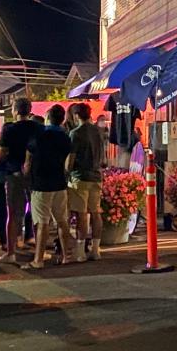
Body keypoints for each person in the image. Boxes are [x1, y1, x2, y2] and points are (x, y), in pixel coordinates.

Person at [22, 104, 74, 270]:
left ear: (48, 117)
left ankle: (38, 259)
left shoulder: (39, 135)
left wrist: (26, 173)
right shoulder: (65, 137)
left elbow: (28, 159)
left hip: (41, 183)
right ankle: (66, 255)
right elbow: (68, 161)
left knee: (42, 222)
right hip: (59, 183)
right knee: (62, 221)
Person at [0, 97, 44, 264]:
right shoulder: (39, 128)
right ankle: (40, 251)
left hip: (14, 174)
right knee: (38, 214)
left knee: (13, 214)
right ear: (30, 110)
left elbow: (1, 154)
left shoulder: (8, 129)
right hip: (35, 175)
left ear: (14, 110)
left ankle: (11, 252)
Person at [67, 102, 106, 262]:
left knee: (82, 214)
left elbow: (71, 158)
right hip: (96, 176)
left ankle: (80, 251)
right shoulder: (99, 131)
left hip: (80, 177)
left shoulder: (75, 133)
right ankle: (96, 250)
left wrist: (66, 172)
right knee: (96, 213)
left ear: (76, 116)